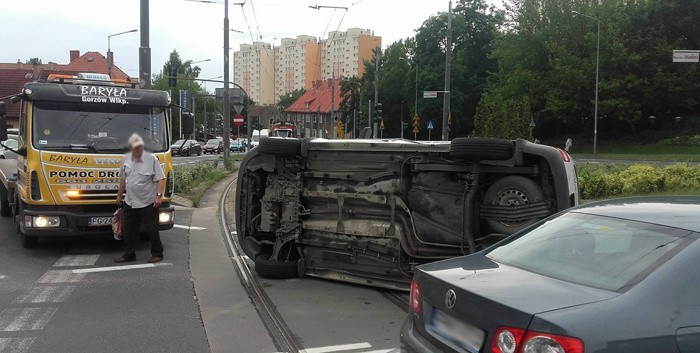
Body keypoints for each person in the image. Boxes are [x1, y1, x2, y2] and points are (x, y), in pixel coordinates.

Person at [114, 133, 166, 264]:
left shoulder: (151, 159)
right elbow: (123, 179)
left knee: (151, 229)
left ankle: (157, 253)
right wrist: (119, 195)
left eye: (139, 147)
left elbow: (160, 179)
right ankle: (129, 254)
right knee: (129, 230)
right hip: (130, 201)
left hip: (147, 201)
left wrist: (159, 197)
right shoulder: (126, 159)